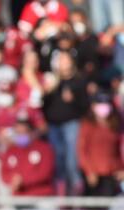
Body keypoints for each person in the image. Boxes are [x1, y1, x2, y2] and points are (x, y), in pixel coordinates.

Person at [43, 50, 89, 195]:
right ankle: (60, 192)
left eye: (65, 59)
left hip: (71, 124)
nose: (62, 63)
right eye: (60, 60)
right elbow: (43, 105)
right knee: (57, 159)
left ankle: (75, 191)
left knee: (71, 160)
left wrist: (73, 100)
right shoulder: (52, 81)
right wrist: (47, 91)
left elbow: (85, 106)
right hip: (53, 125)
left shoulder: (79, 81)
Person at [77, 93, 124, 197]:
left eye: (105, 104)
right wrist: (89, 171)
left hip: (112, 173)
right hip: (94, 174)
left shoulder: (115, 124)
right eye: (100, 104)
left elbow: (120, 149)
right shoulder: (87, 125)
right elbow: (82, 150)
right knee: (93, 207)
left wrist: (122, 169)